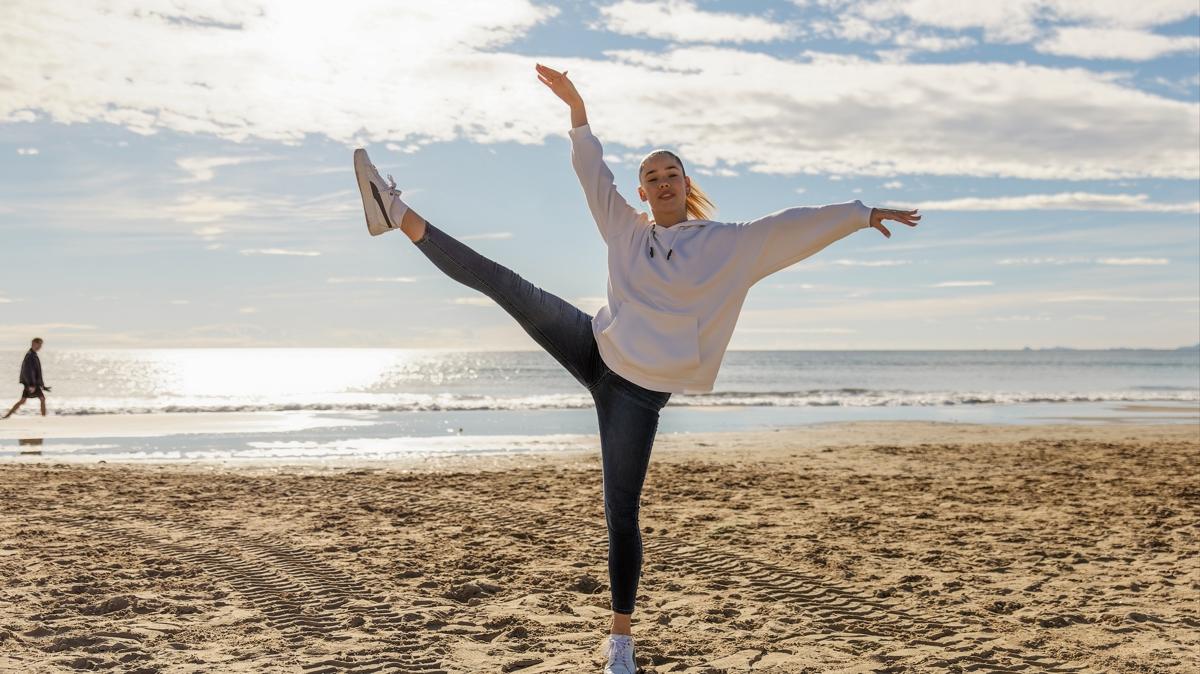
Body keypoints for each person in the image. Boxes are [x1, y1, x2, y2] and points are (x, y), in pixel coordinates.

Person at [350, 63, 920, 673]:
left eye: (672, 173)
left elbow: (791, 226)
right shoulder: (625, 228)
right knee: (506, 285)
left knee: (620, 511)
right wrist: (577, 112)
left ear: (686, 184)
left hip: (638, 397)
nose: (663, 181)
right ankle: (397, 214)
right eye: (652, 176)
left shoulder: (726, 246)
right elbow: (591, 173)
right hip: (592, 346)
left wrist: (859, 215)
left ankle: (620, 641)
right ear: (643, 192)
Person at [3, 338, 51, 419]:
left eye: (41, 345)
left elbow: (37, 372)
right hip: (31, 384)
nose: (40, 346)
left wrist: (43, 386)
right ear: (33, 343)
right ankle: (44, 418)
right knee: (41, 399)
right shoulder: (30, 355)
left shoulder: (33, 355)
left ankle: (7, 416)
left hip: (32, 383)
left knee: (23, 401)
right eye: (39, 344)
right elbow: (28, 371)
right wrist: (31, 384)